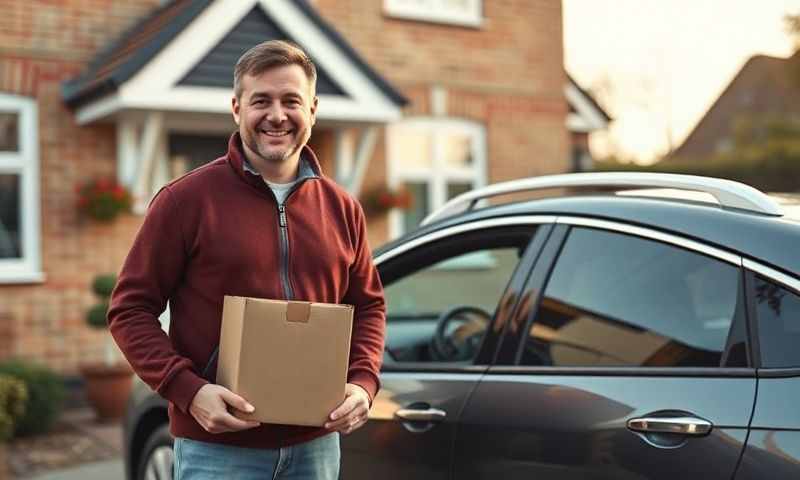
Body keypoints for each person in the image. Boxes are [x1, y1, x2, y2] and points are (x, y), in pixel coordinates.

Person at [108, 40, 386, 479]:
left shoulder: (343, 208)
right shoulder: (185, 202)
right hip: (217, 450)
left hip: (316, 448)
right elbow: (129, 310)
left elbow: (369, 306)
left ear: (312, 109)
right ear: (237, 108)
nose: (277, 115)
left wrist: (363, 383)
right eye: (262, 101)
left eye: (291, 100)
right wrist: (190, 391)